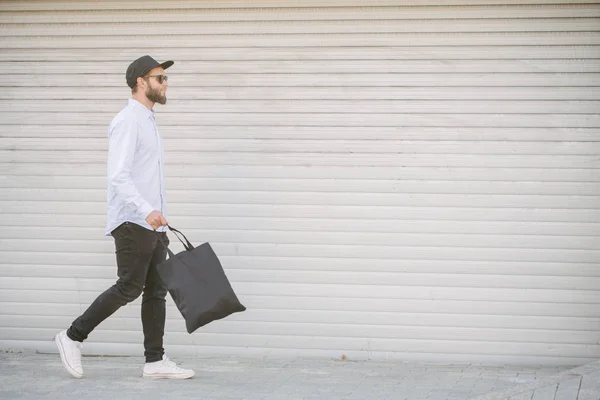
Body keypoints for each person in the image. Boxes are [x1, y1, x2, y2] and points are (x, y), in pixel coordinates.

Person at [54, 55, 194, 380]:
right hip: (133, 222)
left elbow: (147, 178)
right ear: (141, 82)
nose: (166, 83)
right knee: (129, 287)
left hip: (152, 223)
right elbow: (118, 176)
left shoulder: (148, 120)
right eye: (160, 77)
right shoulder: (128, 120)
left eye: (166, 78)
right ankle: (72, 336)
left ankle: (155, 361)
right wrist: (147, 211)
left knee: (157, 290)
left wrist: (159, 216)